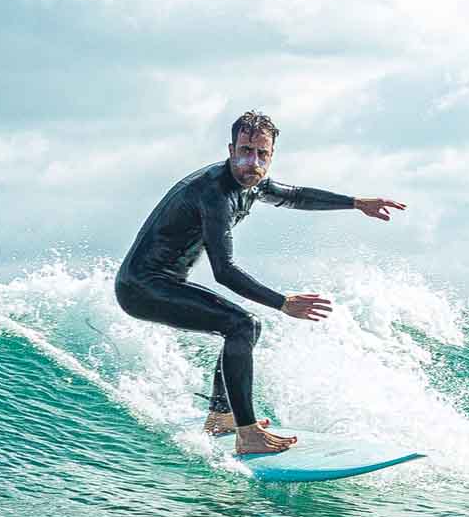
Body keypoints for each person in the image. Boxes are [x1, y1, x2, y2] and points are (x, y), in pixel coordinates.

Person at [114, 110, 406, 457]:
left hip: (163, 283)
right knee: (241, 325)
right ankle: (247, 433)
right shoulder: (214, 193)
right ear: (230, 149)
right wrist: (282, 302)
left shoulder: (252, 182)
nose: (253, 161)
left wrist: (356, 203)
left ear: (271, 155)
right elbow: (224, 270)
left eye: (262, 154)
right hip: (141, 288)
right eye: (245, 151)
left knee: (244, 329)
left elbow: (294, 195)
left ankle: (221, 417)